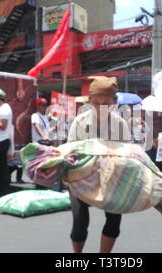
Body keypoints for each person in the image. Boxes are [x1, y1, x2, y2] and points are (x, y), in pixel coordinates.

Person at [67, 76, 130, 253]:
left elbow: (127, 154)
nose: (101, 107)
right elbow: (70, 150)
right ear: (89, 101)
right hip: (80, 178)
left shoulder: (120, 124)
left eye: (106, 103)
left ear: (115, 102)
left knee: (114, 220)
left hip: (111, 178)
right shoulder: (79, 122)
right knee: (79, 221)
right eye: (96, 103)